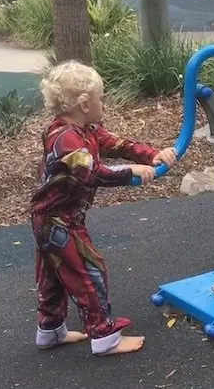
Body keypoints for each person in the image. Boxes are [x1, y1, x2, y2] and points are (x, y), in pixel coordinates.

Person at [31, 61, 177, 356]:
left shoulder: (86, 130)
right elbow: (92, 172)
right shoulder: (66, 139)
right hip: (59, 221)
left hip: (49, 218)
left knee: (53, 276)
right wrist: (131, 172)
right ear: (85, 104)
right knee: (89, 270)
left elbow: (118, 143)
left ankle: (50, 330)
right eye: (101, 97)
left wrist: (152, 155)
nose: (104, 102)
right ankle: (104, 337)